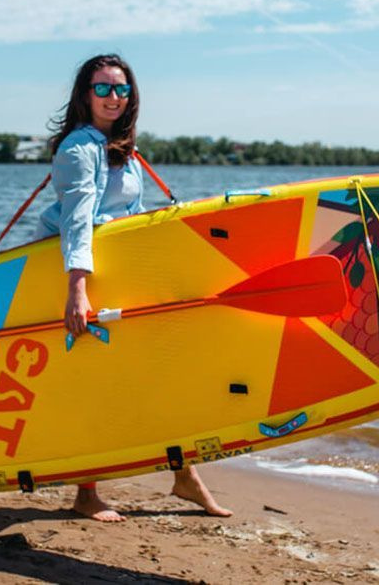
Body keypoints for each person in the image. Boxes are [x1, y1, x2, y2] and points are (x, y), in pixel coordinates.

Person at [35, 54, 232, 522]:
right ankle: (87, 493)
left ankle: (184, 475)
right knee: (98, 380)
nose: (113, 97)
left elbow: (136, 218)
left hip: (124, 274)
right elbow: (77, 221)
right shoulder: (79, 149)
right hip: (85, 274)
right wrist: (77, 291)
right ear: (85, 95)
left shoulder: (125, 149)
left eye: (120, 89)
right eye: (102, 89)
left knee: (155, 372)